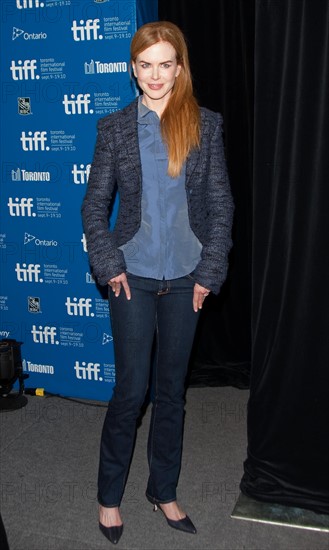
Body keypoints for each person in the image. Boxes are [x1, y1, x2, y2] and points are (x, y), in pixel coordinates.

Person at [81, 20, 234, 545]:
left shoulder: (205, 126)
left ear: (179, 66)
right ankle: (108, 497)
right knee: (130, 392)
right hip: (133, 279)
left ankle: (163, 490)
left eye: (164, 63)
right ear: (133, 68)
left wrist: (210, 271)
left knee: (171, 393)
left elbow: (220, 205)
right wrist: (109, 263)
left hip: (188, 280)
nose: (154, 75)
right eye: (144, 65)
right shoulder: (115, 129)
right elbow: (93, 206)